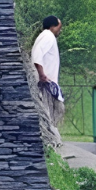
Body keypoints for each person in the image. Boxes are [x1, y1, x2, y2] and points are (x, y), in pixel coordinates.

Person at [30, 15, 64, 149]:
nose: (60, 30)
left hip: (48, 82)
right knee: (54, 111)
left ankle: (52, 138)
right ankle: (51, 140)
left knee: (53, 111)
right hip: (46, 82)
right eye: (59, 27)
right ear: (52, 26)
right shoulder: (48, 36)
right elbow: (37, 55)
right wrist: (42, 74)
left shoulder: (44, 36)